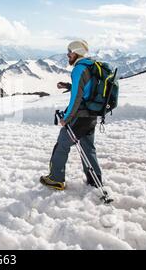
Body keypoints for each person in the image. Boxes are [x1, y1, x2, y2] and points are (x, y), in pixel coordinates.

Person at [40, 40, 102, 191]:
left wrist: (66, 118)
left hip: (79, 117)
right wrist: (67, 85)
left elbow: (76, 98)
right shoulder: (91, 65)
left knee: (62, 144)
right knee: (88, 148)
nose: (68, 55)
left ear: (77, 52)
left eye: (70, 52)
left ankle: (56, 179)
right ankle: (95, 180)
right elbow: (86, 88)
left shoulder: (79, 69)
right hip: (91, 115)